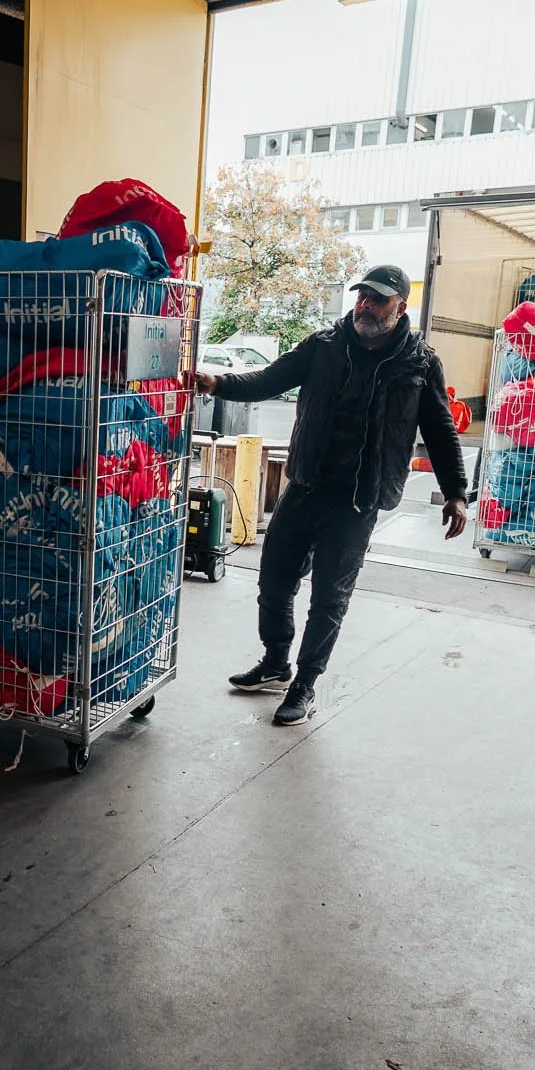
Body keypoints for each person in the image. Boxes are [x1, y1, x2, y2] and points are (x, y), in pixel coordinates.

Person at [192, 265, 468, 727]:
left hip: (358, 499)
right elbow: (271, 378)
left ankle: (305, 683)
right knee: (274, 581)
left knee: (329, 597)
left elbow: (440, 429)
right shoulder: (323, 345)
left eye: (378, 300)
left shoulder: (419, 363)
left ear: (400, 307)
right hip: (305, 484)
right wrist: (219, 384)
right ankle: (277, 662)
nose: (365, 306)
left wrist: (456, 492)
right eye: (362, 296)